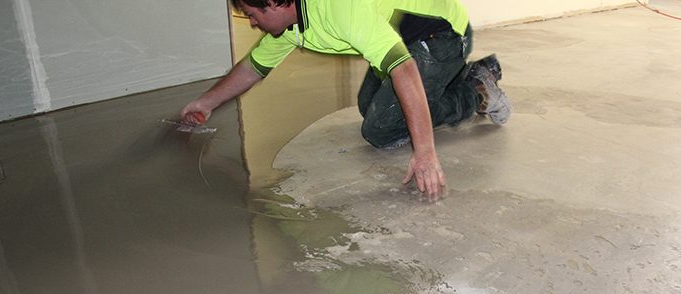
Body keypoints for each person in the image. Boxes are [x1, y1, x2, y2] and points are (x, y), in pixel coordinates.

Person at [181, 0, 511, 201]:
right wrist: (205, 103)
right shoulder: (292, 24)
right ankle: (449, 78)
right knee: (370, 107)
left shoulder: (339, 8)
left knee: (381, 130)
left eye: (253, 14)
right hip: (401, 37)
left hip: (440, 34)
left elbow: (404, 69)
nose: (253, 23)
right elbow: (253, 68)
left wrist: (425, 153)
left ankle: (477, 90)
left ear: (274, 3)